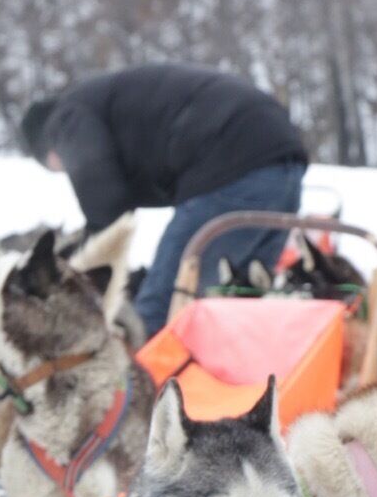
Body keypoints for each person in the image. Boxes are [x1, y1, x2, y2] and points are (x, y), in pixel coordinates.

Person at [20, 62, 309, 336]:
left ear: (50, 151)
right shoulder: (105, 101)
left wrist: (89, 265)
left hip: (231, 162)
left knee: (156, 311)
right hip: (284, 166)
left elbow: (104, 199)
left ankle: (142, 386)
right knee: (236, 303)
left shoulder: (64, 119)